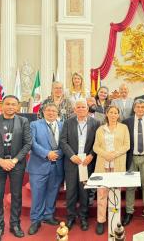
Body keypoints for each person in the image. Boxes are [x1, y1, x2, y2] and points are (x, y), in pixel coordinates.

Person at [0, 95, 32, 241]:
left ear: (17, 107)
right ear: (2, 106)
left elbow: (28, 143)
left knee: (16, 195)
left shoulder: (23, 121)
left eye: (13, 104)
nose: (10, 106)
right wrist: (0, 161)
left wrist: (15, 160)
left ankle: (15, 224)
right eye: (8, 104)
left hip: (16, 164)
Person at [59, 99, 100, 231]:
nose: (81, 109)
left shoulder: (95, 123)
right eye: (79, 107)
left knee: (84, 192)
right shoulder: (68, 122)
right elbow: (63, 141)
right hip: (72, 161)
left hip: (87, 162)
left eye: (83, 107)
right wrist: (72, 156)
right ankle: (70, 217)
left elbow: (98, 142)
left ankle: (83, 217)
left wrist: (91, 155)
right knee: (71, 191)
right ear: (75, 109)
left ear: (88, 109)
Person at [27, 103, 64, 235]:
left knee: (52, 192)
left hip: (57, 165)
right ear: (43, 112)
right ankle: (35, 220)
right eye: (48, 110)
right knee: (37, 194)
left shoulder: (62, 125)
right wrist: (47, 153)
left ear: (57, 113)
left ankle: (48, 215)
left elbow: (65, 143)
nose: (51, 113)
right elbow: (32, 143)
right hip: (39, 165)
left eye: (54, 111)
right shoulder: (34, 125)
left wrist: (58, 153)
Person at [93, 105, 130, 235]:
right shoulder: (100, 129)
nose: (113, 115)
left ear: (118, 115)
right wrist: (105, 154)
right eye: (111, 112)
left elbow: (127, 145)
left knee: (115, 193)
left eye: (116, 112)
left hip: (117, 164)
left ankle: (115, 219)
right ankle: (101, 220)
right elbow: (95, 147)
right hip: (103, 165)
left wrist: (114, 154)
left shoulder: (124, 128)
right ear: (107, 114)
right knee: (102, 193)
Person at [121, 99, 144, 227]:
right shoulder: (127, 122)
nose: (141, 109)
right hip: (131, 157)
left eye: (143, 107)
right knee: (130, 187)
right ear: (134, 108)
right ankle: (129, 212)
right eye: (138, 107)